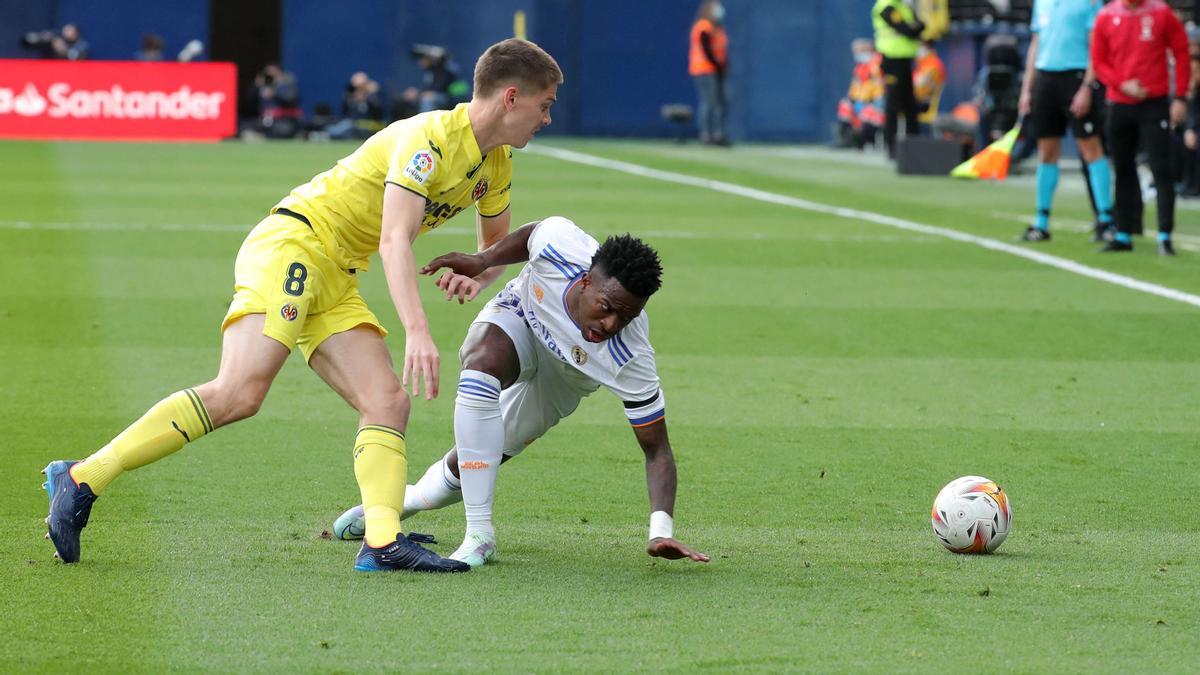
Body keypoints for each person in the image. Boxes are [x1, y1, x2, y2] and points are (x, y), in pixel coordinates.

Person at [40, 39, 564, 574]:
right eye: (544, 105)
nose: (546, 118)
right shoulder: (428, 138)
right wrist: (418, 331)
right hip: (295, 244)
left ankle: (382, 543)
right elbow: (393, 239)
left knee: (387, 402)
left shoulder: (495, 164)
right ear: (511, 97)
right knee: (241, 391)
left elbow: (493, 249)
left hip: (336, 272)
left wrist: (476, 274)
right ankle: (83, 477)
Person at [330, 216, 710, 568]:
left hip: (562, 380)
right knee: (481, 361)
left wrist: (661, 532)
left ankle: (399, 503)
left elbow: (657, 450)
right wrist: (483, 260)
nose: (611, 323)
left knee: (471, 462)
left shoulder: (630, 357)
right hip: (523, 318)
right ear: (584, 282)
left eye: (626, 317)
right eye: (606, 307)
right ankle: (480, 534)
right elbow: (533, 234)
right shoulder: (561, 246)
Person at [1092, 0, 1189, 255]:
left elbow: (1181, 51)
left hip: (1154, 103)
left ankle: (1165, 235)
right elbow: (1099, 62)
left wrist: (1179, 96)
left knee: (1161, 169)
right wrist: (1122, 84)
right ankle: (1124, 233)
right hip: (1119, 103)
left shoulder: (1161, 13)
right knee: (1123, 168)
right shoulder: (1106, 16)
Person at [1016, 0, 1115, 244]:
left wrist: (1087, 87)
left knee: (1090, 147)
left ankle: (1105, 219)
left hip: (1076, 76)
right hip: (1046, 79)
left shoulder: (1088, 3)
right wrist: (1027, 89)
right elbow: (1036, 44)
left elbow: (1096, 46)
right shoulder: (1043, 3)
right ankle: (1042, 221)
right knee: (1046, 152)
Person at [873, 0, 925, 158]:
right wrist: (912, 28)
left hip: (906, 60)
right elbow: (908, 30)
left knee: (910, 104)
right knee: (893, 104)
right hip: (892, 60)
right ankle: (892, 147)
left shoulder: (904, 7)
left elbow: (921, 26)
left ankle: (913, 146)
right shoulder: (886, 7)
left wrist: (913, 28)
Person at [689, 1, 731, 146]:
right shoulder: (703, 27)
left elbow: (721, 51)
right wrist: (718, 65)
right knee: (709, 102)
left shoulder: (719, 28)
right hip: (704, 70)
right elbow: (706, 50)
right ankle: (706, 134)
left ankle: (719, 134)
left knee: (724, 102)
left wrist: (723, 66)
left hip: (718, 71)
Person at [836, 38, 886, 149]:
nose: (857, 54)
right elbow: (855, 88)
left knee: (869, 113)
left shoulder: (878, 64)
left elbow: (878, 89)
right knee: (845, 106)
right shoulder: (861, 67)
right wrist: (852, 99)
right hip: (862, 101)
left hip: (878, 103)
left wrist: (867, 101)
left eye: (860, 51)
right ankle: (845, 139)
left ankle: (862, 141)